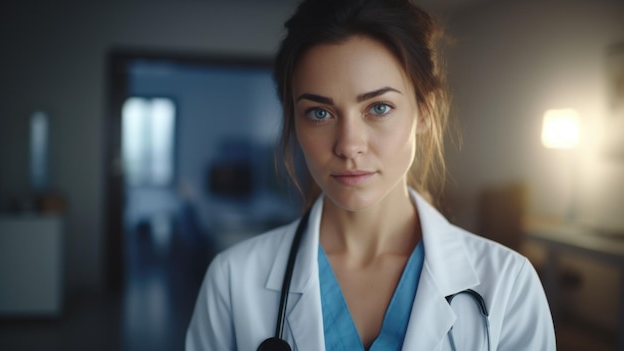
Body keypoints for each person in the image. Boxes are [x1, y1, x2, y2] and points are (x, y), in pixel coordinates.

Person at [186, 0, 556, 350]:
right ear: (294, 122)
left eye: (378, 107)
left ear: (424, 111)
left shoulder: (509, 284)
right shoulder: (233, 281)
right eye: (318, 113)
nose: (349, 145)